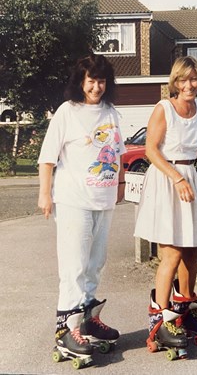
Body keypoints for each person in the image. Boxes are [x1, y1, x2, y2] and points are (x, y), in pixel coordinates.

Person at [38, 53, 126, 358]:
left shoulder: (111, 113)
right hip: (73, 200)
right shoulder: (67, 112)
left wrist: (121, 185)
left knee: (95, 263)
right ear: (81, 81)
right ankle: (66, 330)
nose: (97, 87)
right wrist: (44, 194)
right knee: (73, 265)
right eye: (91, 80)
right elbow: (47, 157)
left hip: (104, 201)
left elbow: (117, 153)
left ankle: (87, 322)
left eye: (102, 81)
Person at [134, 56, 197, 353]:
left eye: (194, 79)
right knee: (171, 251)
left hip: (190, 179)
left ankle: (184, 310)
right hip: (166, 178)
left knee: (192, 250)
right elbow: (150, 149)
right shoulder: (164, 109)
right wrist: (175, 178)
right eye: (183, 80)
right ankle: (160, 320)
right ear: (175, 82)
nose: (190, 85)